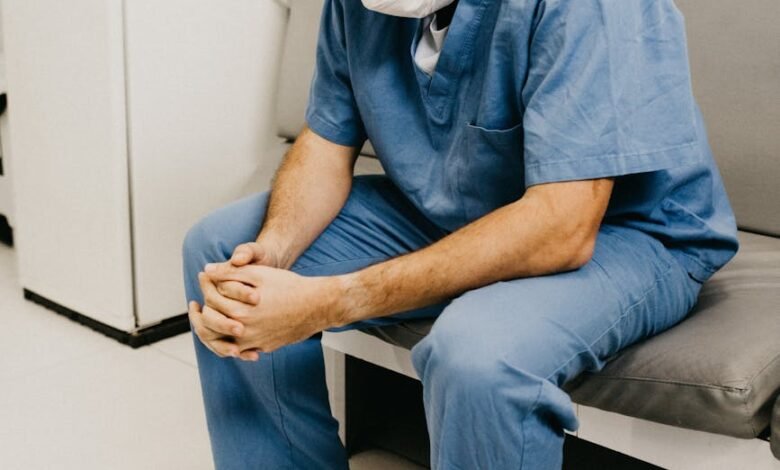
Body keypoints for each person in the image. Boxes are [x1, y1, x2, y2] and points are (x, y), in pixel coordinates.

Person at [182, 0, 739, 468]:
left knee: (477, 357)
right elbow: (327, 141)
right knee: (225, 254)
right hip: (456, 204)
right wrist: (271, 254)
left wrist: (332, 300)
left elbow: (562, 228)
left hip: (629, 230)